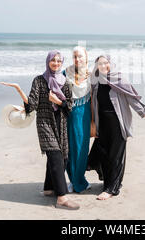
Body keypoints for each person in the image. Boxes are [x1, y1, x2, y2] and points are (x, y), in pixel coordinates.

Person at [0, 50, 80, 210]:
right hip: (45, 123)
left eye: (58, 61)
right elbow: (32, 105)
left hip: (61, 124)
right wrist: (19, 90)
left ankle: (49, 188)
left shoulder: (66, 82)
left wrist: (57, 101)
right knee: (56, 156)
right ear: (48, 61)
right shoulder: (39, 80)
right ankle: (62, 198)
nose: (56, 63)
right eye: (53, 60)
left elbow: (69, 106)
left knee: (62, 157)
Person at [87, 54, 145, 200]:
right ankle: (109, 184)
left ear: (111, 63)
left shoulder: (120, 79)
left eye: (105, 63)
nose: (103, 66)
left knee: (115, 156)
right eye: (99, 64)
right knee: (103, 154)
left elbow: (132, 99)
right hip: (102, 124)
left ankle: (111, 189)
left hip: (117, 123)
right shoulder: (95, 81)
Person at [62, 46, 93, 193]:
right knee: (69, 148)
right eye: (74, 56)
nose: (77, 59)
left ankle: (79, 180)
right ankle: (72, 180)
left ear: (86, 57)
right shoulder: (65, 73)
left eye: (80, 56)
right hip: (68, 114)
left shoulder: (92, 75)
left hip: (85, 115)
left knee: (81, 148)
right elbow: (52, 89)